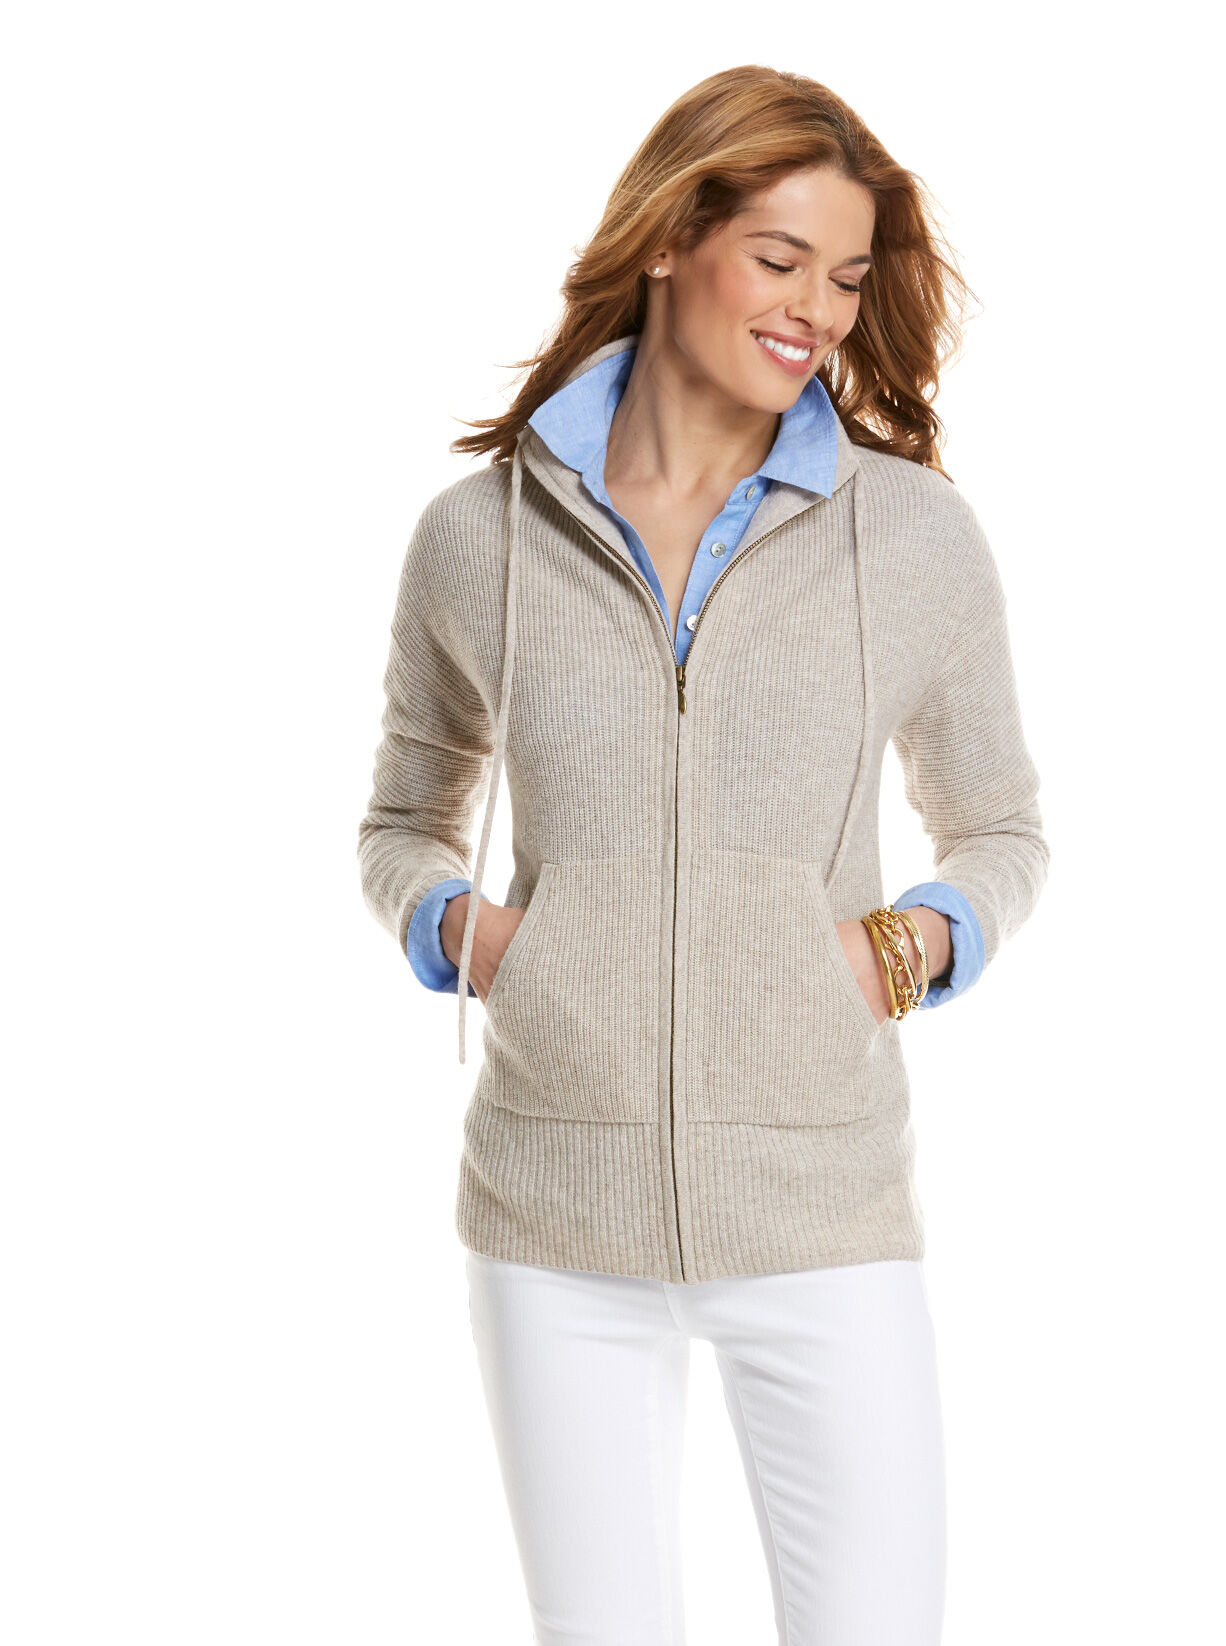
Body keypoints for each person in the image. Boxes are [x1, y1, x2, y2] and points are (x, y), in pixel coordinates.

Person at [358, 63, 1049, 1646]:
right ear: (672, 237)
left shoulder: (909, 535)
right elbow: (402, 817)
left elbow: (1001, 826)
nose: (818, 310)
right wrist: (465, 932)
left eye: (847, 276)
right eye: (780, 258)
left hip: (824, 1203)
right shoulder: (479, 538)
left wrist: (900, 951)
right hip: (553, 1212)